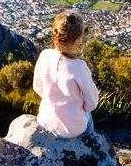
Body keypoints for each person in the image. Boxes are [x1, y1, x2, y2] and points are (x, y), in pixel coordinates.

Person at [33, 10, 99, 138]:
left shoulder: (44, 55)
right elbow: (92, 103)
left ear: (55, 34)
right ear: (78, 39)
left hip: (46, 120)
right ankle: (89, 144)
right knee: (89, 119)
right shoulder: (79, 67)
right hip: (71, 129)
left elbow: (37, 87)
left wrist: (54, 99)